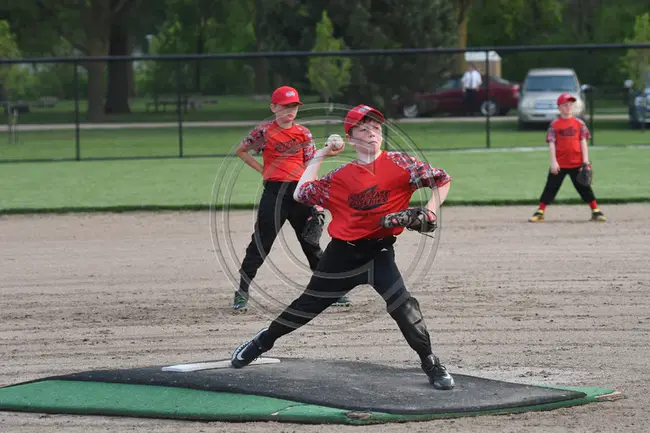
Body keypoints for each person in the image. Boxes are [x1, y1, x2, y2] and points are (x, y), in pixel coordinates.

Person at [229, 104, 455, 390]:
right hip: (342, 255)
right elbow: (301, 192)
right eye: (363, 129)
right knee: (304, 308)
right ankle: (262, 342)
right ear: (351, 138)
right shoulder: (340, 176)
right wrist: (321, 154)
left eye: (375, 128)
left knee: (403, 306)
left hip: (380, 254)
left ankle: (431, 362)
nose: (371, 133)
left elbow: (442, 179)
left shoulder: (401, 164)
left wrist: (430, 211)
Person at [232, 85, 352, 313]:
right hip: (274, 193)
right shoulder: (264, 131)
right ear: (273, 107)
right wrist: (263, 170)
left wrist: (325, 158)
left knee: (311, 243)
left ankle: (329, 291)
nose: (290, 111)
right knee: (261, 243)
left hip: (300, 192)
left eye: (294, 106)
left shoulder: (304, 133)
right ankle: (242, 291)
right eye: (285, 106)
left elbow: (310, 165)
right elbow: (242, 150)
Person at [529, 93, 607, 223]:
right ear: (559, 107)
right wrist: (553, 162)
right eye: (565, 105)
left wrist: (585, 161)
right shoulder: (555, 125)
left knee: (584, 187)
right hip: (560, 163)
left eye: (570, 104)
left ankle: (596, 211)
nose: (568, 107)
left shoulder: (579, 123)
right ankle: (540, 212)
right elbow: (552, 143)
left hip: (577, 163)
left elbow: (583, 142)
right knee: (551, 187)